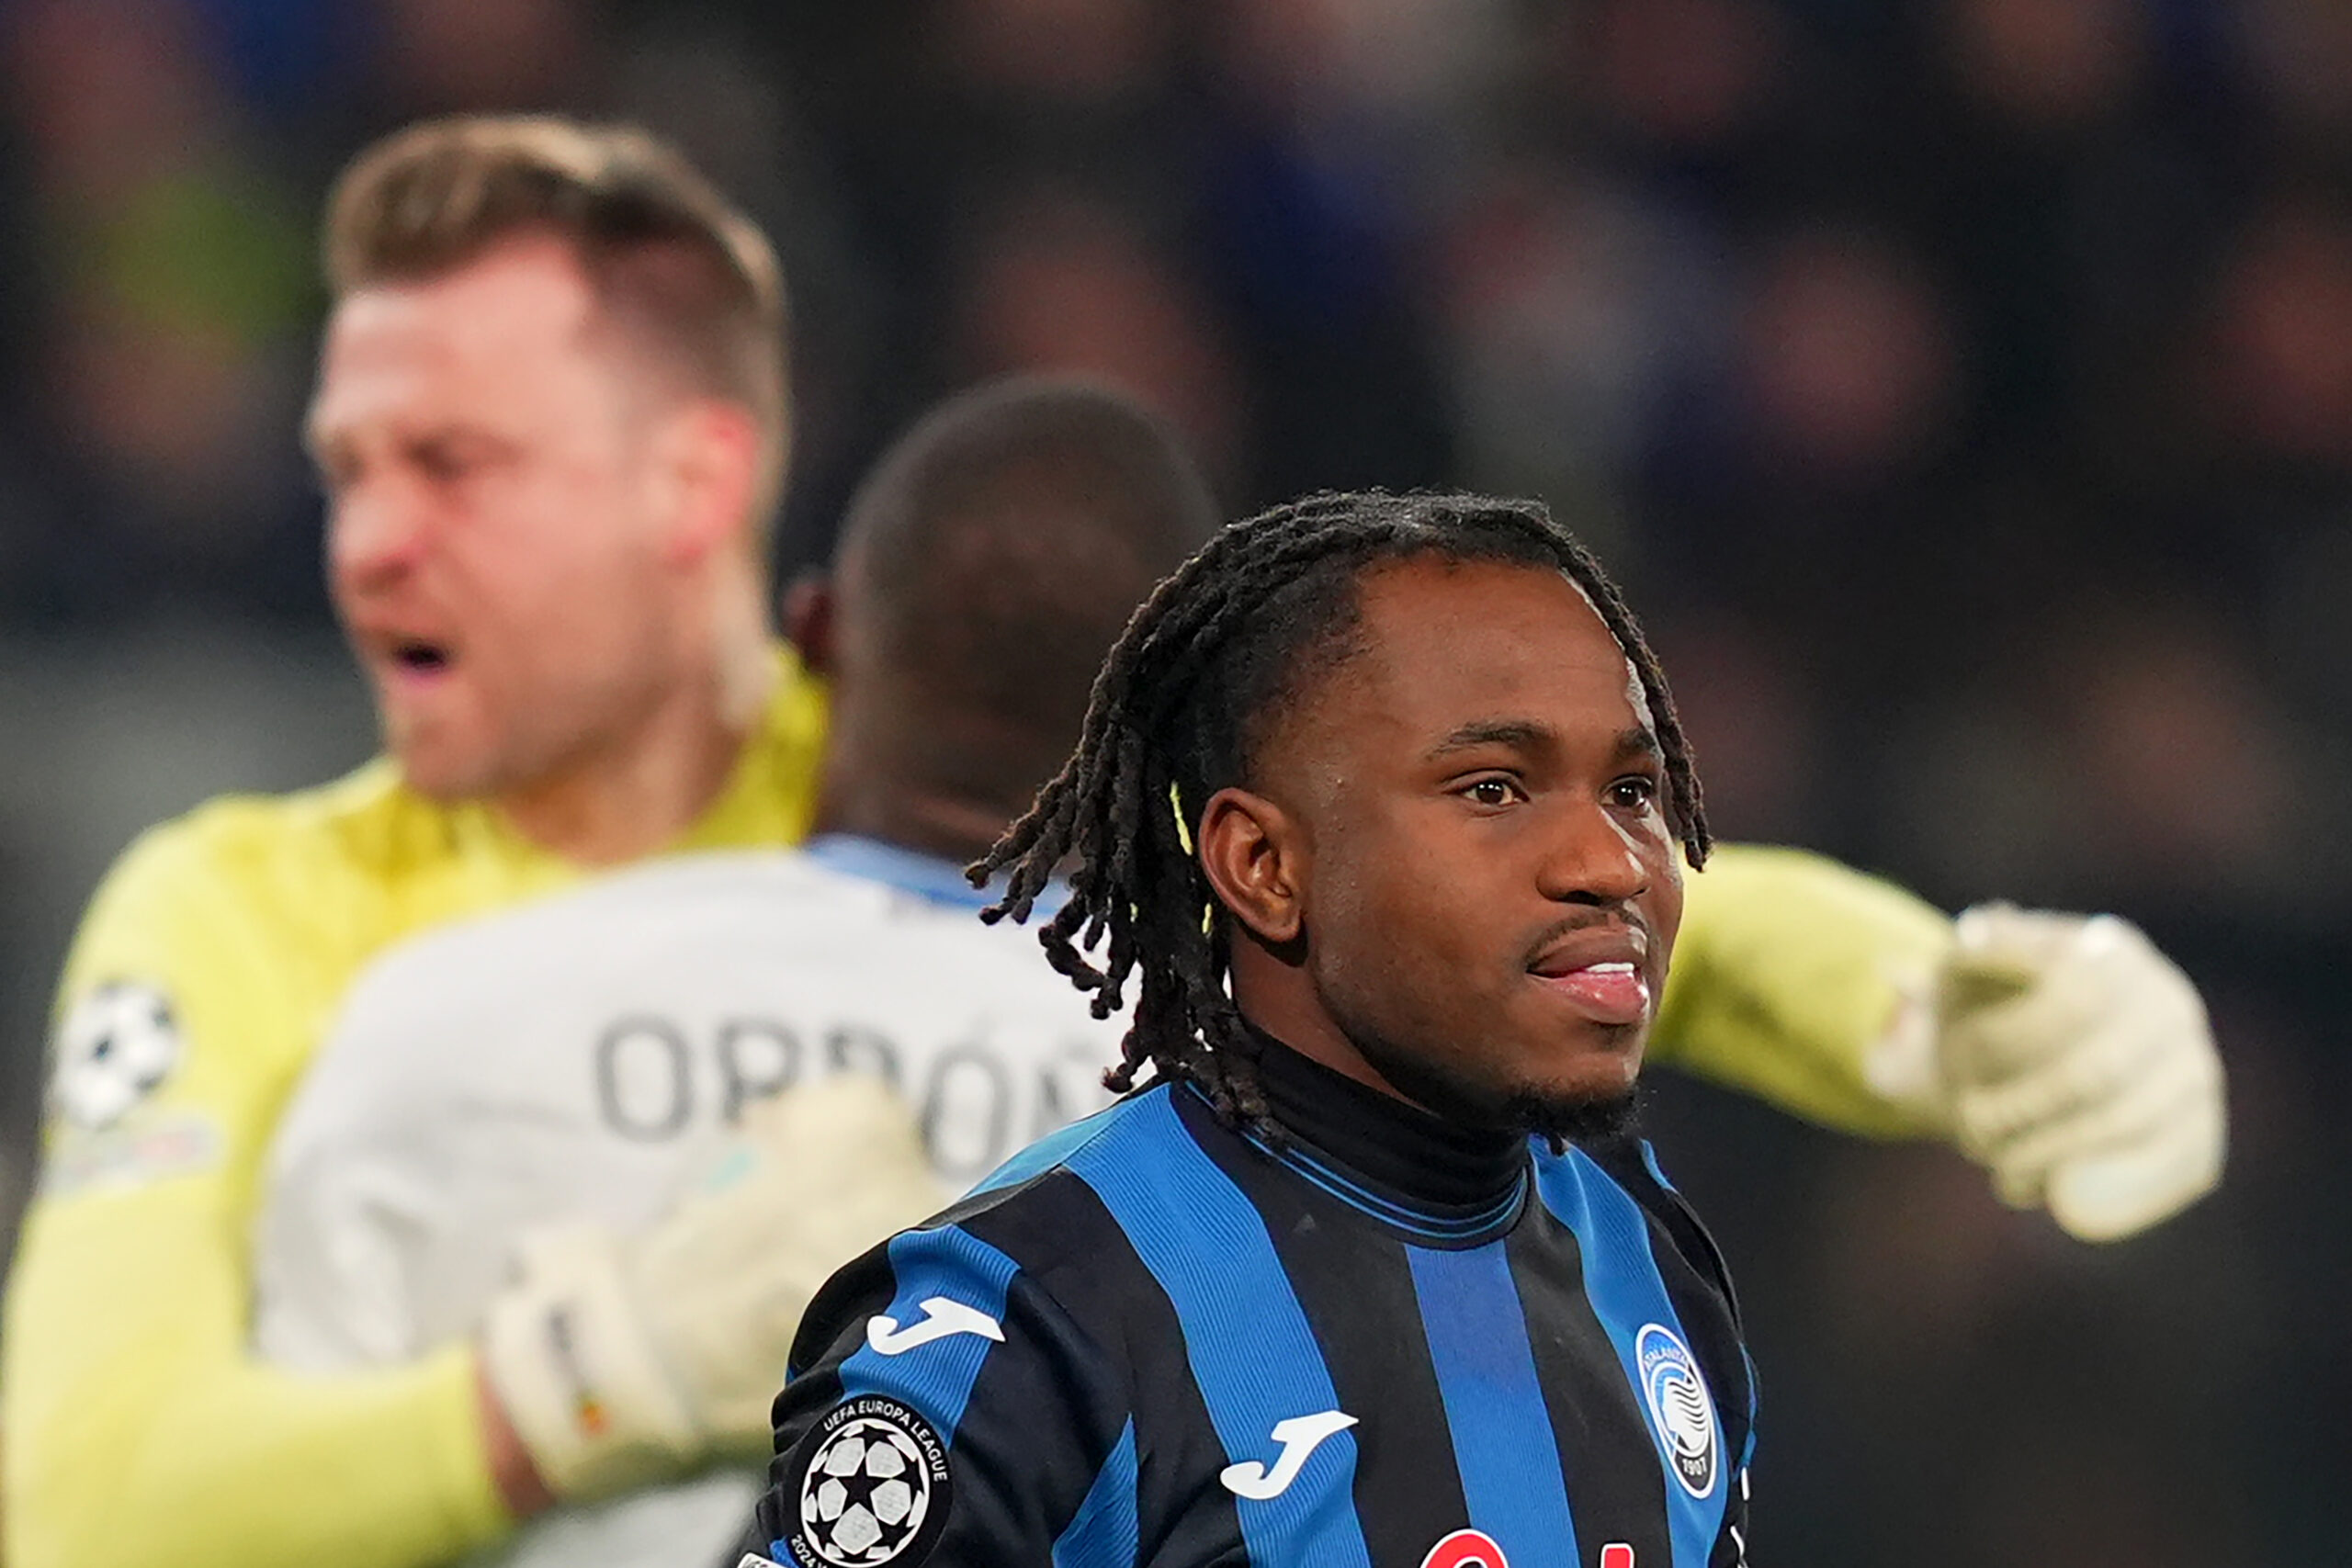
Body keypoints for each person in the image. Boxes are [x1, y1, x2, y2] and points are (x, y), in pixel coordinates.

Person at [3, 114, 2221, 1568]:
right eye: (346, 465)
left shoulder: (976, 747)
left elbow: (1535, 888)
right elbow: (76, 1507)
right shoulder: (245, 903)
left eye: (452, 464)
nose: (367, 541)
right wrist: (563, 1395)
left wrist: (1929, 1004)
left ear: (694, 487)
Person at [249, 378, 1227, 1568]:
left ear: (811, 635)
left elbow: (256, 1512)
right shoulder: (1269, 1110)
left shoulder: (444, 1011)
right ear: (1192, 717)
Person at [754, 489, 1759, 1567]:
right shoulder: (1019, 1323)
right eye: (1492, 790)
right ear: (1263, 867)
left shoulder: (1647, 1253)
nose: (1610, 863)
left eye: (1631, 790)